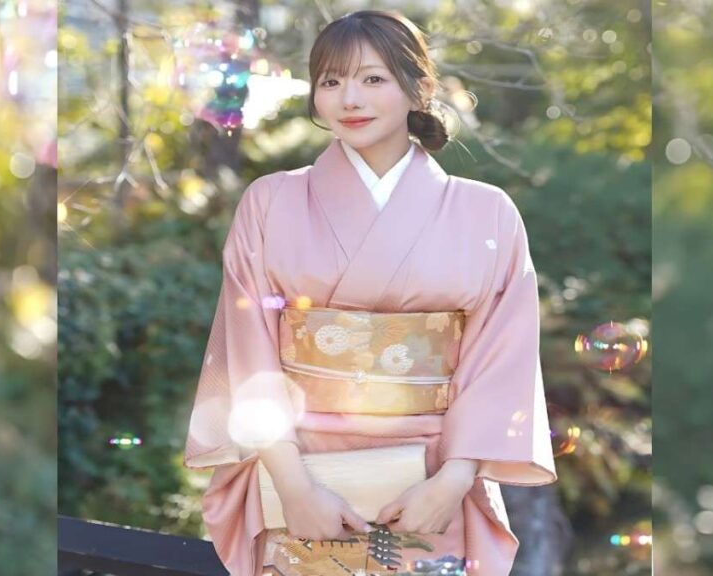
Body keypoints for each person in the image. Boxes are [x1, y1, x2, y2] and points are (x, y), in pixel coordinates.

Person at [184, 9, 557, 576]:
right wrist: (292, 486)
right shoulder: (269, 201)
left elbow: (500, 360)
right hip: (299, 475)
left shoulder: (487, 211)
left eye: (372, 79)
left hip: (430, 483)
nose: (348, 99)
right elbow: (248, 350)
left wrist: (454, 480)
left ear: (420, 89)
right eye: (331, 82)